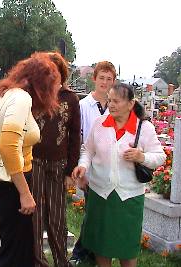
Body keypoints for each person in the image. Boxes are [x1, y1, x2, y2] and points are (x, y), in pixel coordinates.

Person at [0, 53, 61, 267]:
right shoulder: (22, 98)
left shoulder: (0, 95)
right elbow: (8, 145)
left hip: (0, 180)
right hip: (13, 182)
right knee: (15, 250)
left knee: (14, 244)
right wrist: (25, 194)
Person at [72, 83, 166, 267]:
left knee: (127, 247)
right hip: (100, 195)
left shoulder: (144, 128)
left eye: (116, 101)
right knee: (100, 245)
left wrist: (142, 156)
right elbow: (88, 150)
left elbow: (160, 157)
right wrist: (83, 166)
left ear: (130, 104)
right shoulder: (100, 124)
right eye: (109, 100)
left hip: (129, 198)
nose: (111, 105)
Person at [31, 52, 81, 267]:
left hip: (59, 165)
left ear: (62, 74)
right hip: (33, 162)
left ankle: (62, 261)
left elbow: (74, 137)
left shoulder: (71, 99)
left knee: (57, 218)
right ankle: (37, 262)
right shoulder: (33, 95)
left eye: (56, 72)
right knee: (35, 217)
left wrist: (71, 171)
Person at [70, 61, 116, 265]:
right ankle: (81, 252)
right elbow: (78, 139)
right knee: (92, 212)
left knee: (104, 214)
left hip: (110, 169)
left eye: (109, 79)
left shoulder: (116, 105)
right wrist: (81, 172)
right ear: (94, 79)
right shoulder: (83, 106)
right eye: (101, 78)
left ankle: (95, 251)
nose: (104, 83)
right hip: (88, 164)